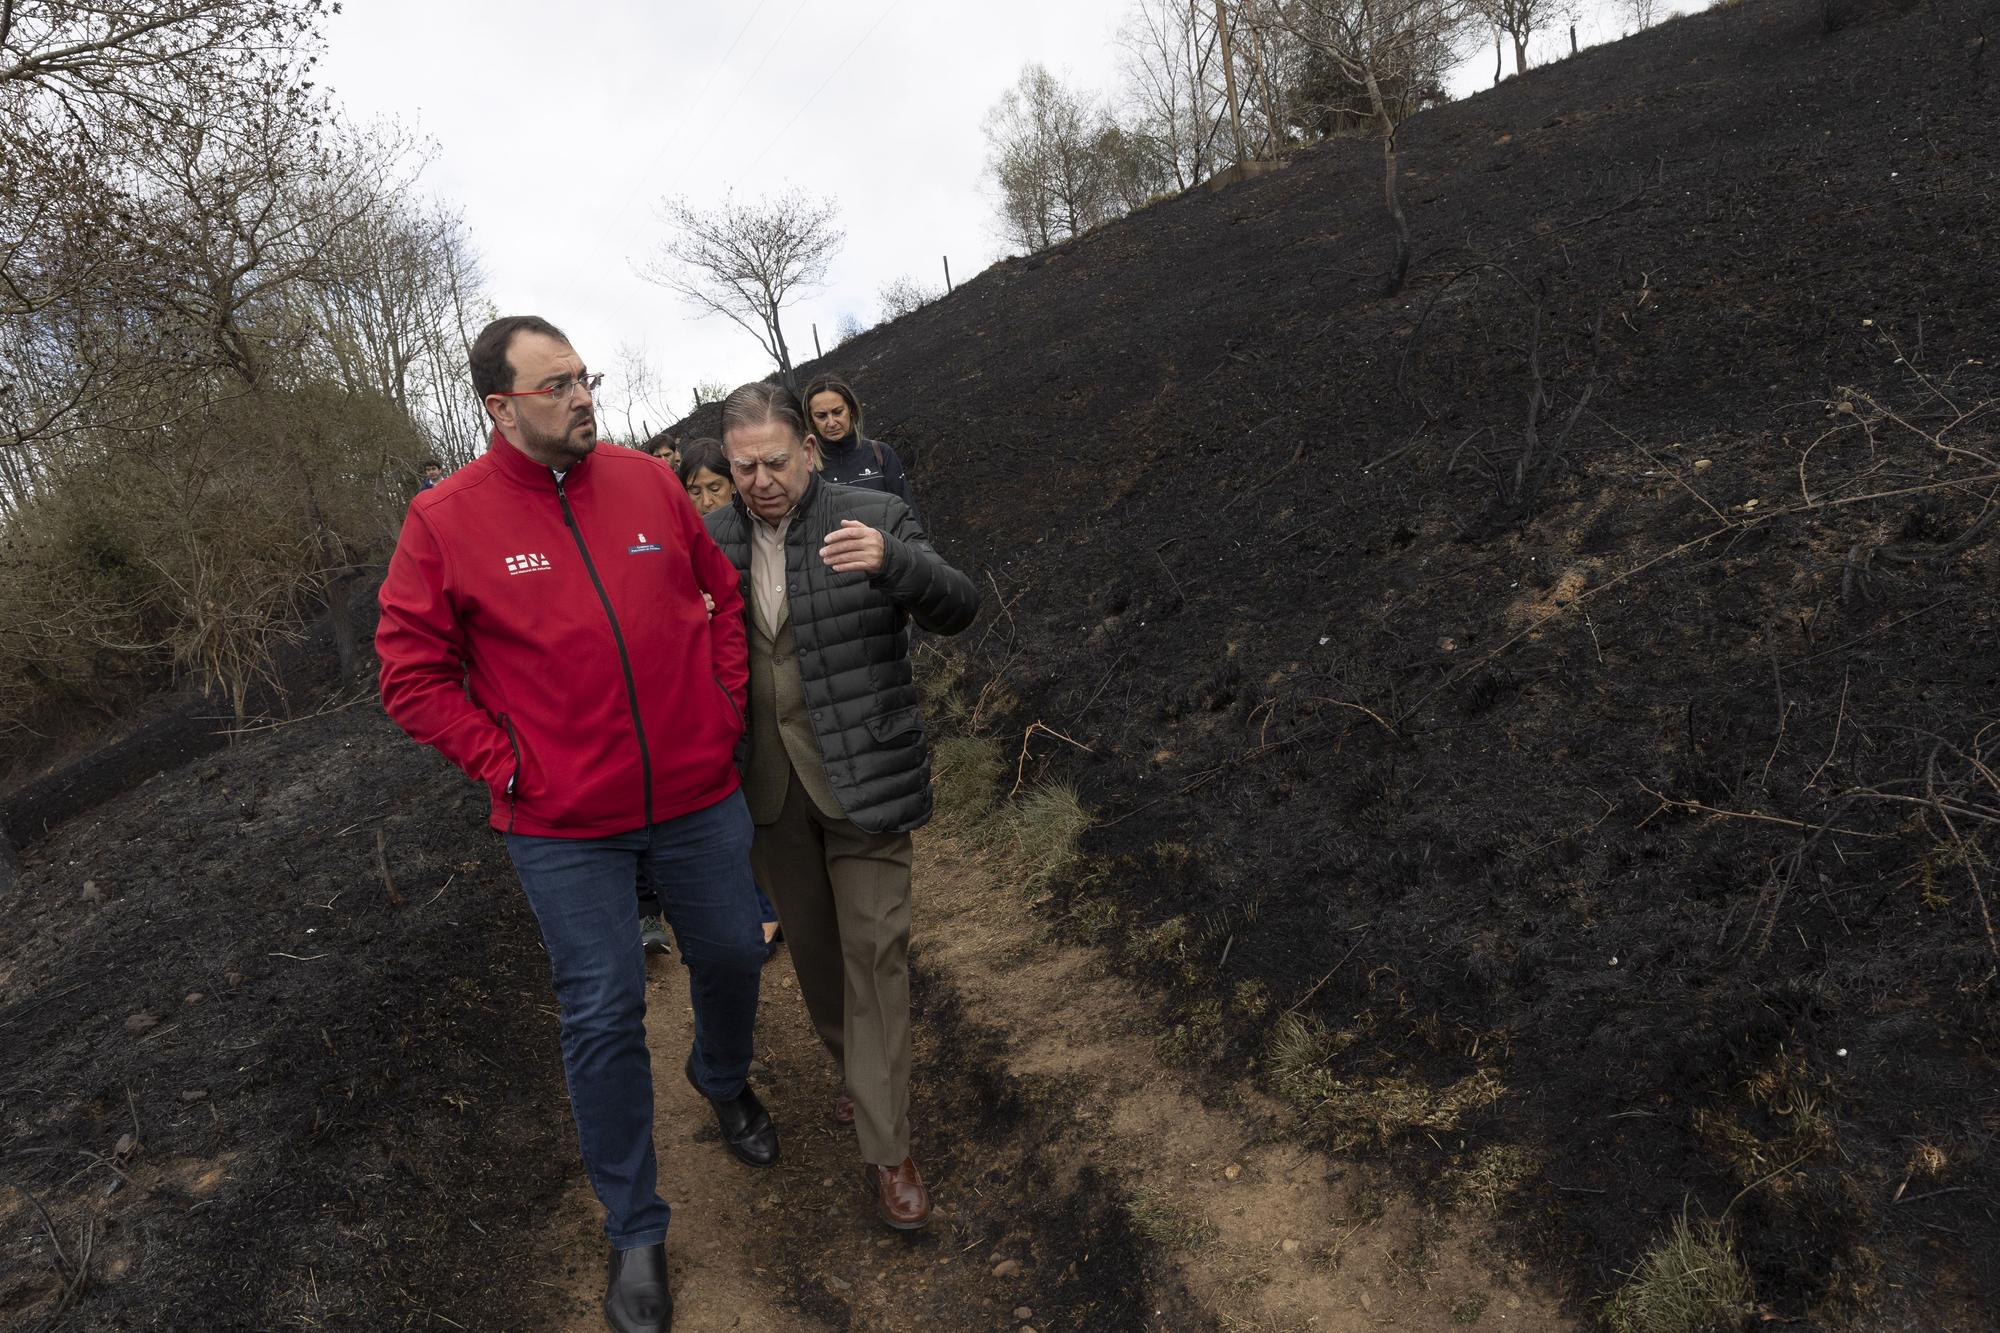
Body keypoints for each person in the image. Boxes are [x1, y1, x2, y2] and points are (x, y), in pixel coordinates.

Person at [376, 315, 777, 1333]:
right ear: (499, 406)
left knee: (733, 950)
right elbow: (410, 676)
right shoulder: (443, 519)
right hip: (561, 825)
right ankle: (635, 1226)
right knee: (600, 1010)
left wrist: (722, 709)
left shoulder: (646, 483)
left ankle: (721, 1077)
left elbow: (721, 597)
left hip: (694, 793)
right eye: (555, 385)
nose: (581, 396)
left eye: (583, 376)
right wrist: (509, 762)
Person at [706, 381, 979, 1231]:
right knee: (822, 967)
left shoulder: (871, 512)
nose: (759, 480)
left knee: (877, 954)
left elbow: (957, 607)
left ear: (810, 451)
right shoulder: (708, 540)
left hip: (867, 780)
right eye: (743, 466)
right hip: (770, 796)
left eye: (775, 462)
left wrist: (895, 564)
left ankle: (888, 1146)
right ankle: (864, 1086)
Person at [799, 373, 918, 516]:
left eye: (837, 412)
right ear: (811, 419)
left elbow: (908, 513)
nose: (831, 423)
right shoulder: (806, 466)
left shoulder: (880, 454)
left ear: (851, 410)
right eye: (821, 416)